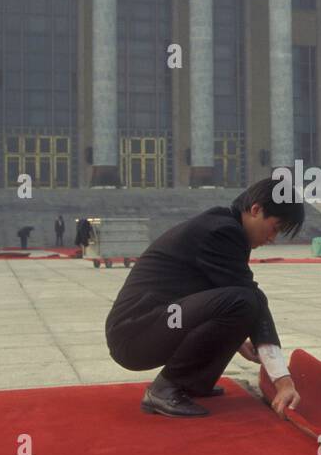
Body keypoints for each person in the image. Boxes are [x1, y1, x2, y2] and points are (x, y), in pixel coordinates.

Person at [105, 177, 305, 419]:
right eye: (275, 228)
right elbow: (251, 299)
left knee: (243, 304)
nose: (273, 238)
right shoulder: (222, 231)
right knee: (245, 300)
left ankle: (192, 384)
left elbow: (215, 297)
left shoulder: (225, 226)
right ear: (256, 209)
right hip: (134, 333)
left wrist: (236, 339)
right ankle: (164, 389)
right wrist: (282, 380)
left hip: (155, 323)